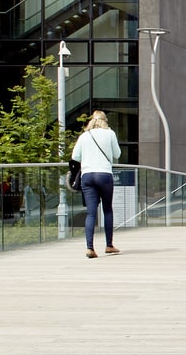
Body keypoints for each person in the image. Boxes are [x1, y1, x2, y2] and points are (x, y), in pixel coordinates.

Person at [71, 110, 121, 259]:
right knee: (107, 210)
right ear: (105, 120)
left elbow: (75, 156)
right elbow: (117, 154)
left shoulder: (84, 136)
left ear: (92, 120)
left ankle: (90, 248)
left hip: (87, 176)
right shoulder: (110, 133)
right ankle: (109, 245)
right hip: (105, 175)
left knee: (91, 213)